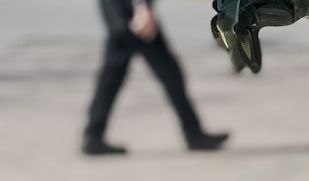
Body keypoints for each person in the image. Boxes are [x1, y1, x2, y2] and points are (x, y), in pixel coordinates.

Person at [83, 0, 228, 156]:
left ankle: (93, 135)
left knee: (114, 75)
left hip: (123, 11)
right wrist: (141, 8)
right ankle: (193, 134)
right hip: (130, 13)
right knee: (167, 73)